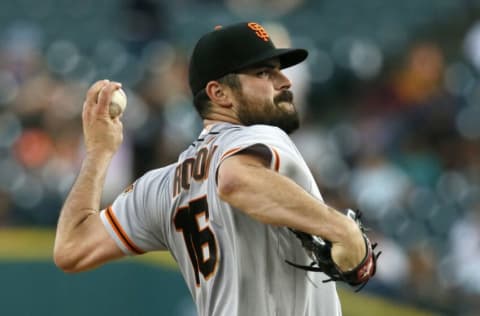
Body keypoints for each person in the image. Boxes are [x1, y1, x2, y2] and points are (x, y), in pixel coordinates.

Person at [54, 22, 370, 316]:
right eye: (263, 73)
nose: (284, 81)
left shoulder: (162, 186)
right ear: (219, 93)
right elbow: (234, 181)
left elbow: (71, 248)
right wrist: (341, 228)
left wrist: (98, 154)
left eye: (278, 71)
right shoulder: (260, 134)